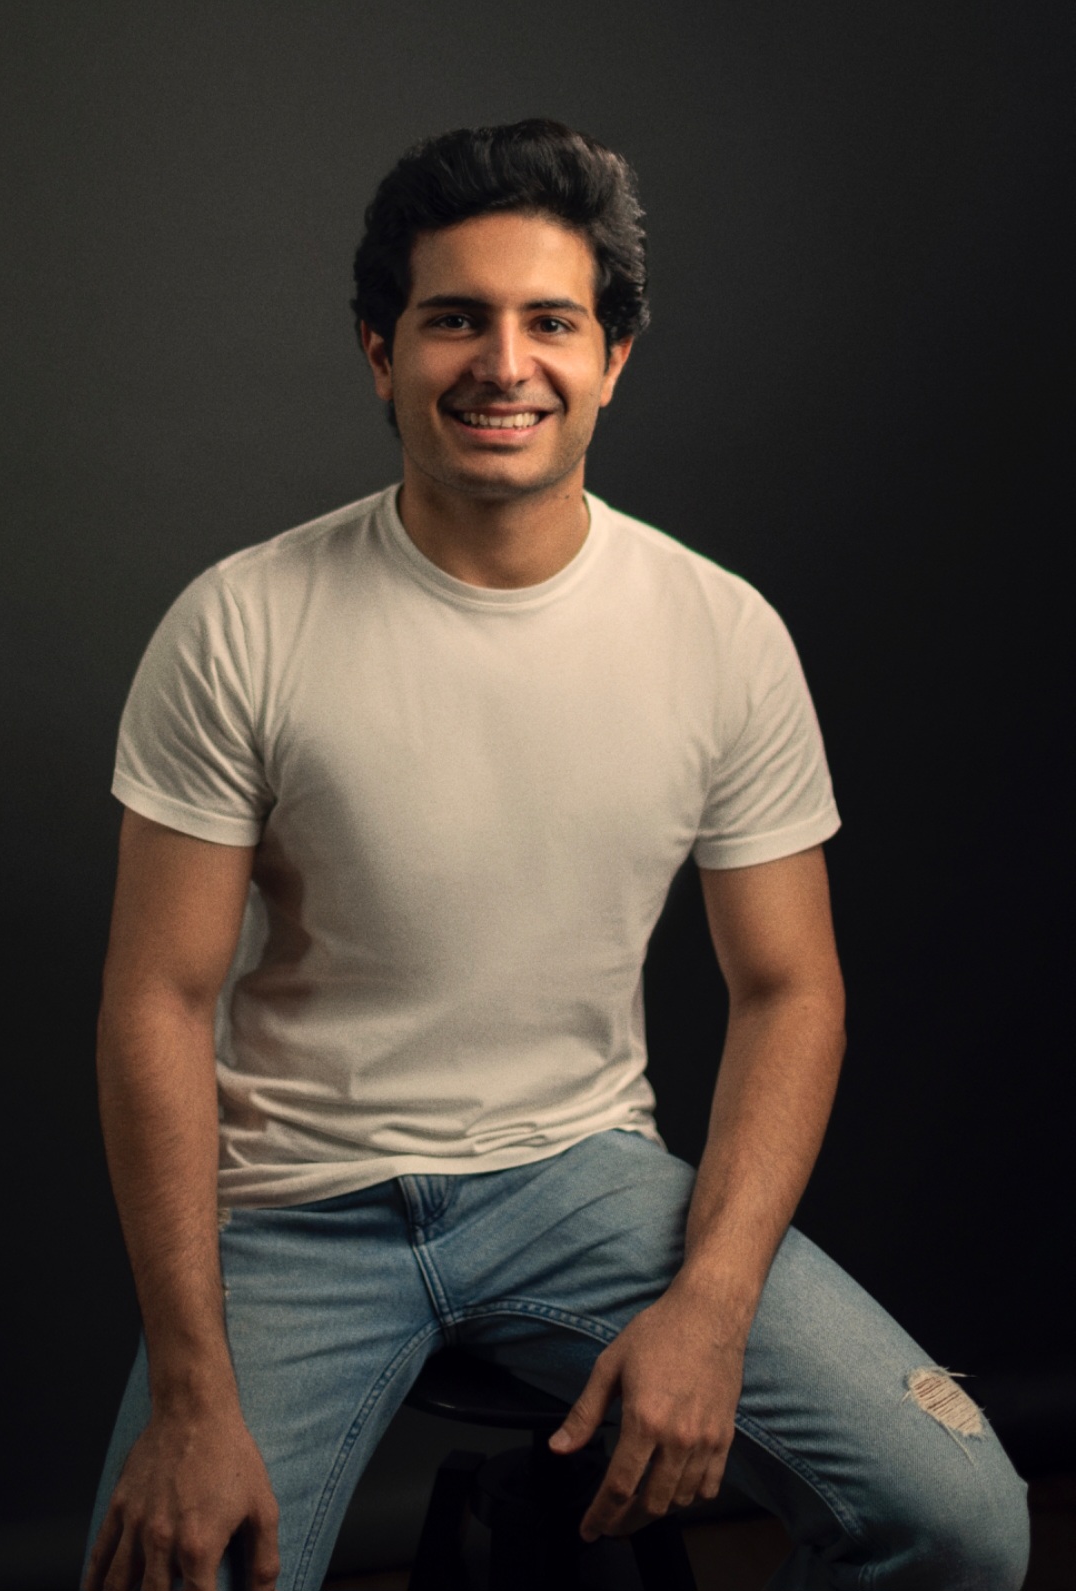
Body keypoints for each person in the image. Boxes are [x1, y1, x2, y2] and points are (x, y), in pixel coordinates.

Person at [83, 119, 1028, 1591]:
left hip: (579, 1179)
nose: (503, 364)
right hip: (292, 1203)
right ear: (381, 350)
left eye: (551, 322)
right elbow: (156, 998)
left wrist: (713, 1304)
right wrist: (195, 1397)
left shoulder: (720, 633)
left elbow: (790, 988)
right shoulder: (242, 623)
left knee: (962, 1523)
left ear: (613, 357)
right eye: (455, 318)